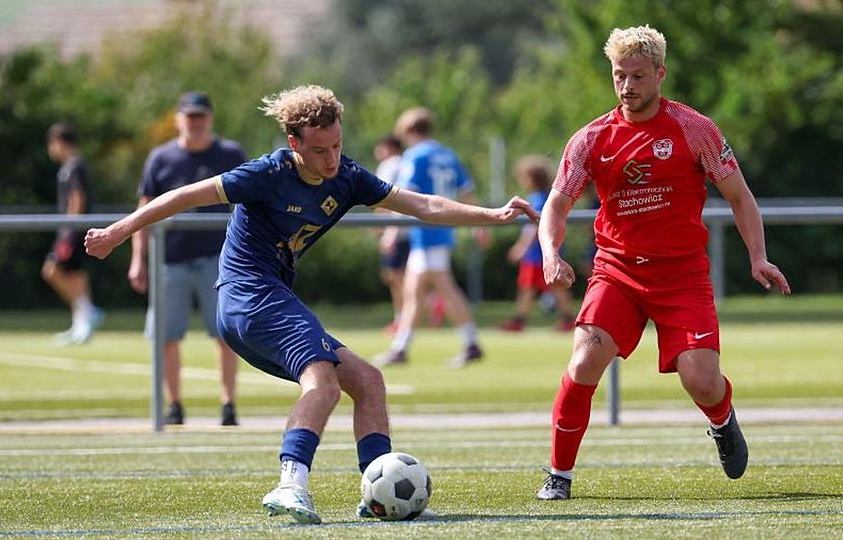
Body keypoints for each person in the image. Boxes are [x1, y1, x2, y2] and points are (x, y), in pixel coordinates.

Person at [85, 85, 537, 524]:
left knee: (367, 380)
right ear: (294, 143)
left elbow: (422, 205)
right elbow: (181, 196)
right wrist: (118, 232)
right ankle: (290, 485)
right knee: (321, 383)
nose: (332, 158)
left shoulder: (348, 177)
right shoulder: (266, 174)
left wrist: (491, 215)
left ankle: (376, 492)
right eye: (320, 150)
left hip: (270, 297)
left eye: (338, 145)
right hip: (248, 295)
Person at [535, 25, 791, 501]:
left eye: (637, 76)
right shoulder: (591, 138)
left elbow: (739, 195)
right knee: (584, 359)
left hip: (682, 274)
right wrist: (551, 254)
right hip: (617, 271)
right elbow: (556, 204)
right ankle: (558, 474)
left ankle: (722, 419)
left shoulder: (695, 129)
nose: (627, 86)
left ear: (659, 75)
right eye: (618, 76)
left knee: (701, 380)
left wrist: (758, 255)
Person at [129, 91, 247, 427]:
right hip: (170, 259)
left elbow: (250, 205)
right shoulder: (161, 158)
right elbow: (144, 210)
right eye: (189, 116)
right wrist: (138, 259)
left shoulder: (230, 154)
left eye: (201, 116)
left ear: (210, 118)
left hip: (220, 260)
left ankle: (228, 404)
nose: (195, 123)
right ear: (179, 119)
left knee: (226, 333)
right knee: (167, 336)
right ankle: (174, 404)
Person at [374, 107, 485, 368]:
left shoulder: (415, 156)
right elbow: (467, 190)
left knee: (443, 288)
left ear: (410, 131)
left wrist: (391, 231)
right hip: (442, 228)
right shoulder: (447, 154)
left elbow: (406, 197)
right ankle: (401, 347)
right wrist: (479, 224)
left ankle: (470, 343)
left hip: (426, 230)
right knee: (414, 291)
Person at [498, 155, 576, 333]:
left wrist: (521, 248)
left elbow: (533, 228)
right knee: (532, 287)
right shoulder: (546, 196)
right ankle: (522, 319)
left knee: (544, 287)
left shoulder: (537, 199)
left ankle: (566, 318)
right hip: (542, 252)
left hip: (537, 254)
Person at [42, 122, 103, 346]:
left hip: (73, 231)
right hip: (72, 230)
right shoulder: (69, 166)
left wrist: (69, 231)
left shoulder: (74, 166)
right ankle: (81, 324)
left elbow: (78, 199)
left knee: (51, 270)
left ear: (58, 142)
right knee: (76, 277)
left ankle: (88, 312)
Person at [372, 135, 409, 333]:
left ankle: (404, 318)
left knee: (395, 275)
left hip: (395, 228)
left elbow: (382, 197)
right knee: (401, 275)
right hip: (411, 227)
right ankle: (405, 316)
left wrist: (380, 224)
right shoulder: (406, 162)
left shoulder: (389, 165)